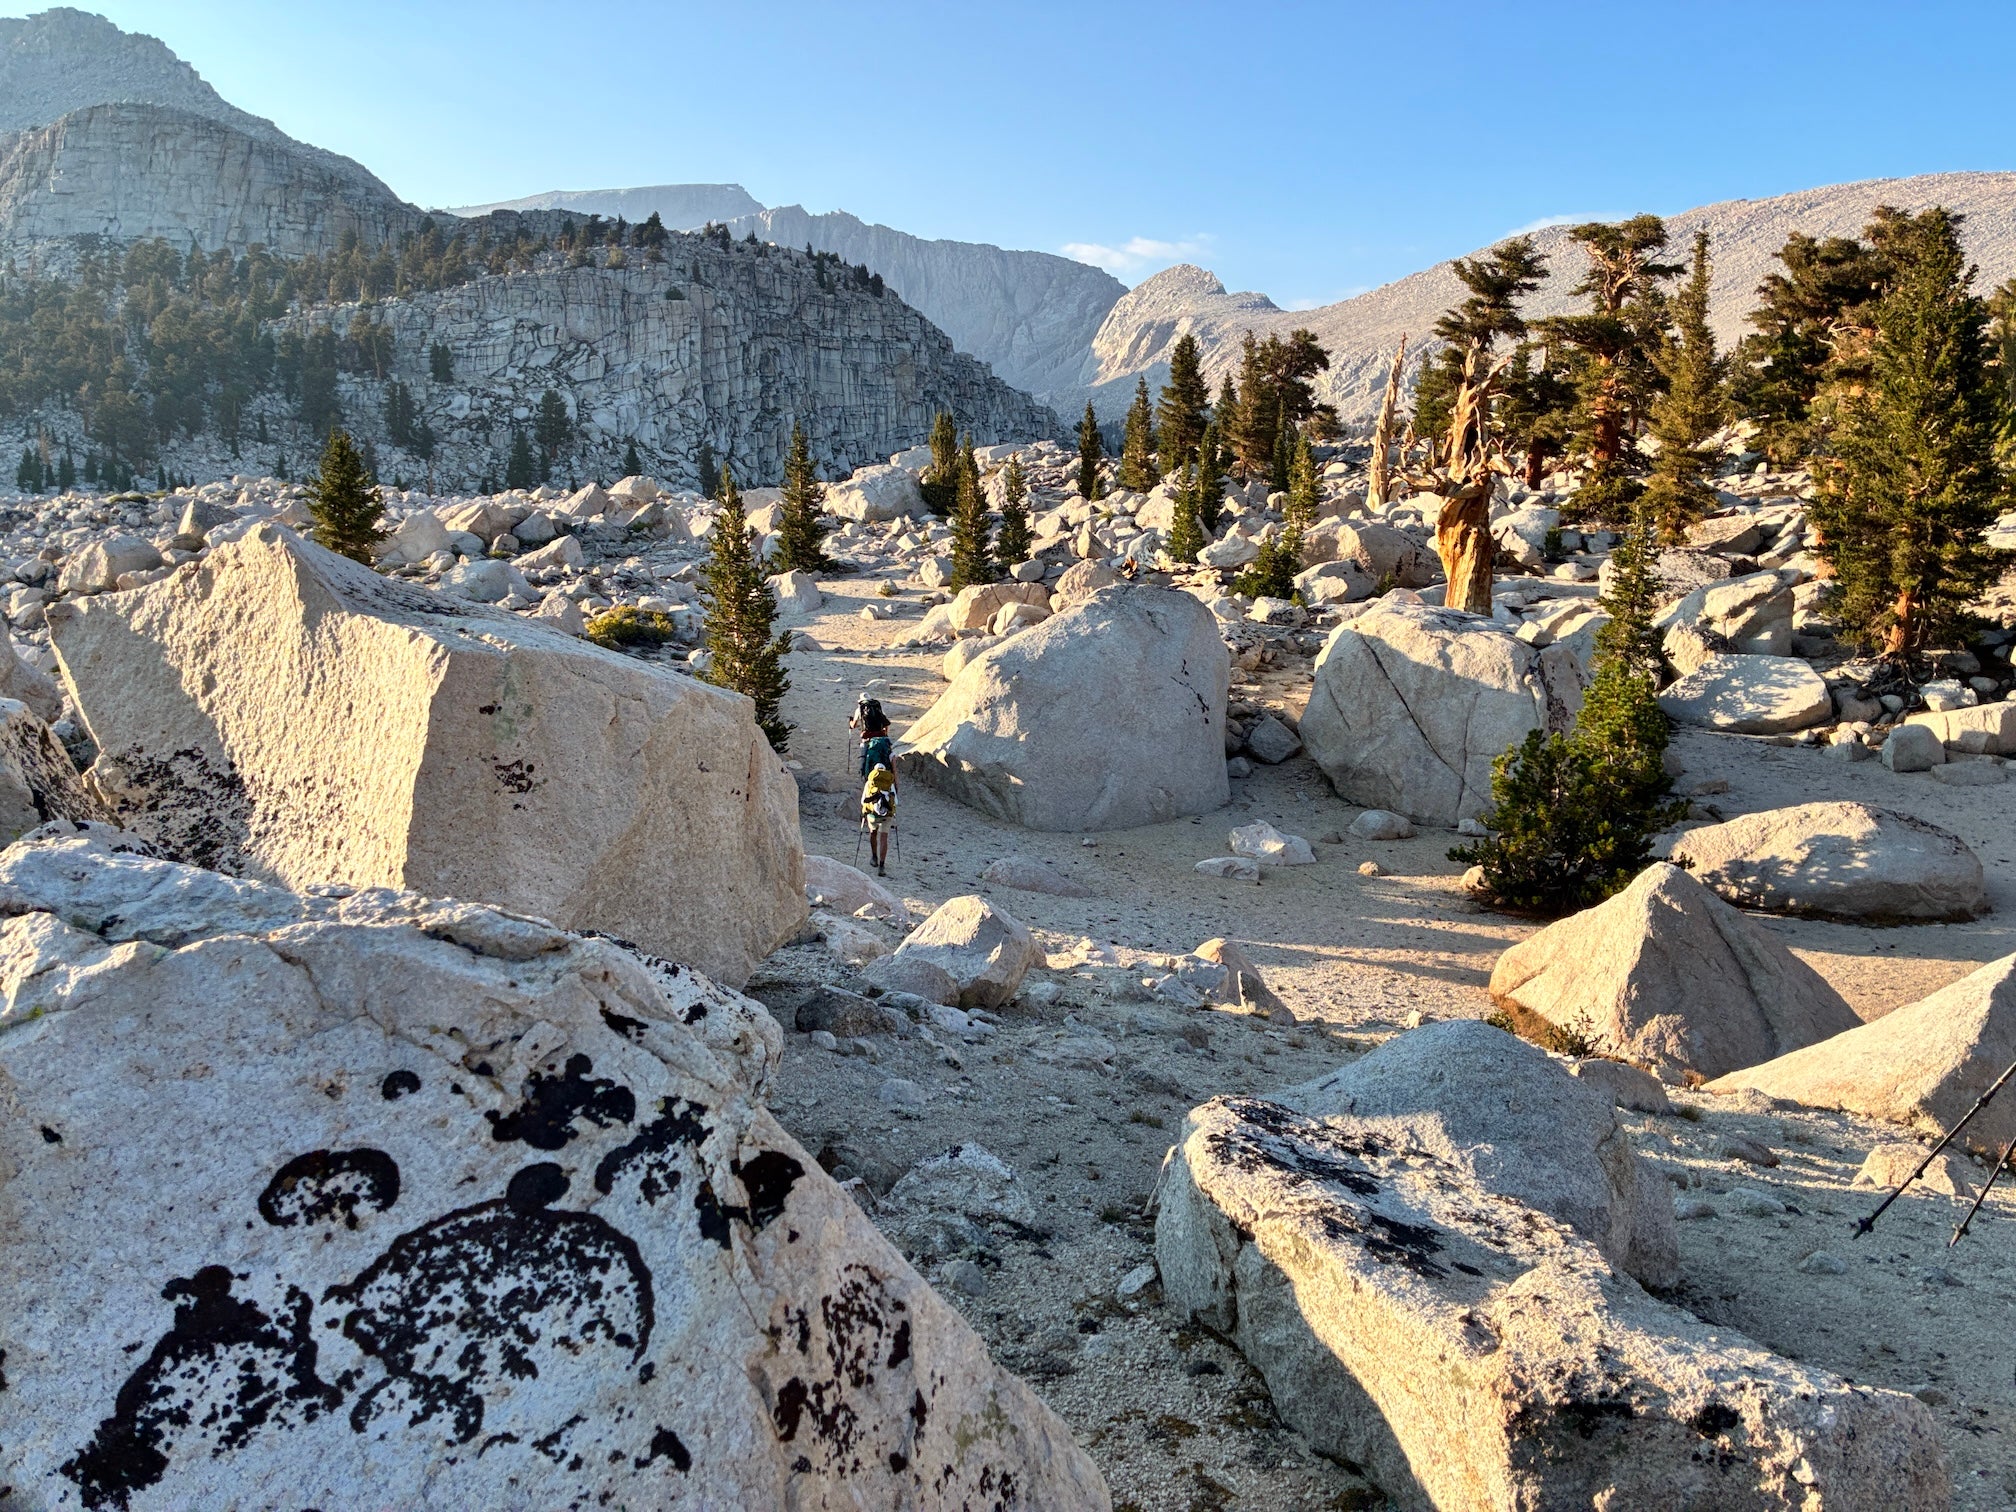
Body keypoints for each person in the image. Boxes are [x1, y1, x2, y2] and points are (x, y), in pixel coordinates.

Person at [857, 702, 896, 874]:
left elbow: (864, 799)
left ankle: (873, 856)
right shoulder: (890, 760)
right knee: (885, 836)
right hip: (888, 804)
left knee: (873, 833)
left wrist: (864, 812)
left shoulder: (870, 781)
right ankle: (882, 865)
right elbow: (896, 781)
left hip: (873, 808)